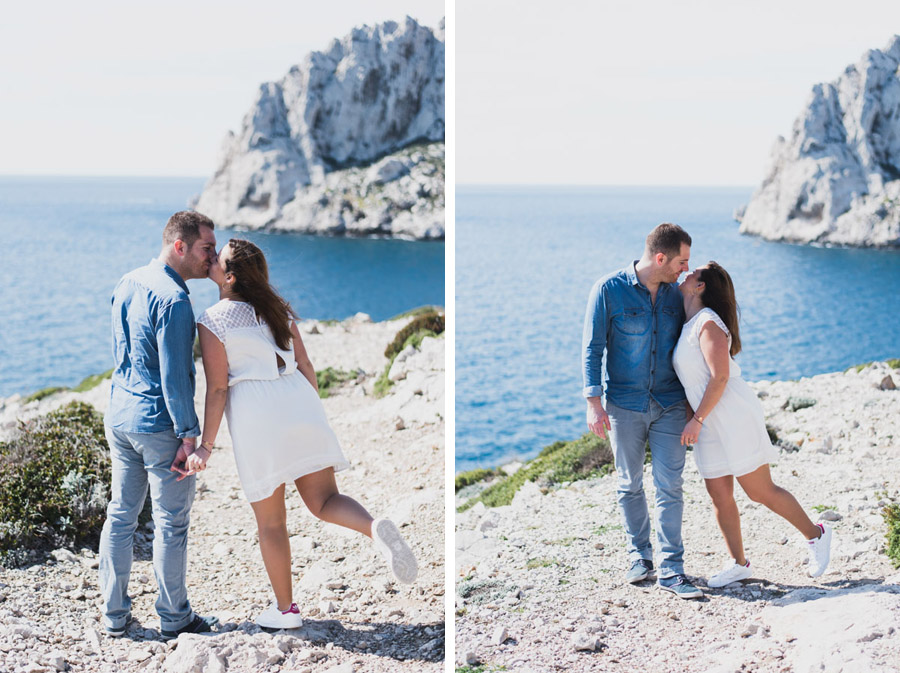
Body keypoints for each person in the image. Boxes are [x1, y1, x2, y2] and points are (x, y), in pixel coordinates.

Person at [186, 238, 417, 629]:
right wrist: (313, 417)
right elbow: (306, 365)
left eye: (218, 257)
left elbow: (219, 388)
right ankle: (375, 528)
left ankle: (286, 611)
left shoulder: (213, 320)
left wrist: (205, 446)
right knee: (325, 500)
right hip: (299, 401)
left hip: (258, 414)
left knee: (272, 523)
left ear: (229, 276)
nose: (210, 258)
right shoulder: (278, 311)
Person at [672, 262, 832, 587]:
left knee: (759, 491)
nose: (684, 273)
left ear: (699, 286)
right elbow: (693, 380)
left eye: (691, 273)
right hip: (708, 421)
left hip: (731, 415)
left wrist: (696, 420)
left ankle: (817, 534)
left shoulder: (708, 323)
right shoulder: (688, 324)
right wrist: (695, 419)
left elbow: (720, 377)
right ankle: (738, 563)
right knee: (719, 494)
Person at [100, 211, 220, 639]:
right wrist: (189, 436)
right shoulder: (175, 299)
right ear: (180, 247)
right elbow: (175, 377)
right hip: (159, 426)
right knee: (171, 522)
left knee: (120, 515)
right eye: (207, 248)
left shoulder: (127, 281)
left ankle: (114, 617)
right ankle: (175, 619)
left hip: (120, 416)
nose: (214, 257)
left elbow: (121, 354)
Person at [582, 223, 703, 599]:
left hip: (670, 404)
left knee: (670, 486)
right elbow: (592, 348)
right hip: (623, 406)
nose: (685, 268)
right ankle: (640, 555)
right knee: (629, 483)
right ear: (661, 258)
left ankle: (672, 568)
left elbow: (695, 339)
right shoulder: (608, 290)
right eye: (681, 261)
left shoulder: (676, 296)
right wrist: (593, 403)